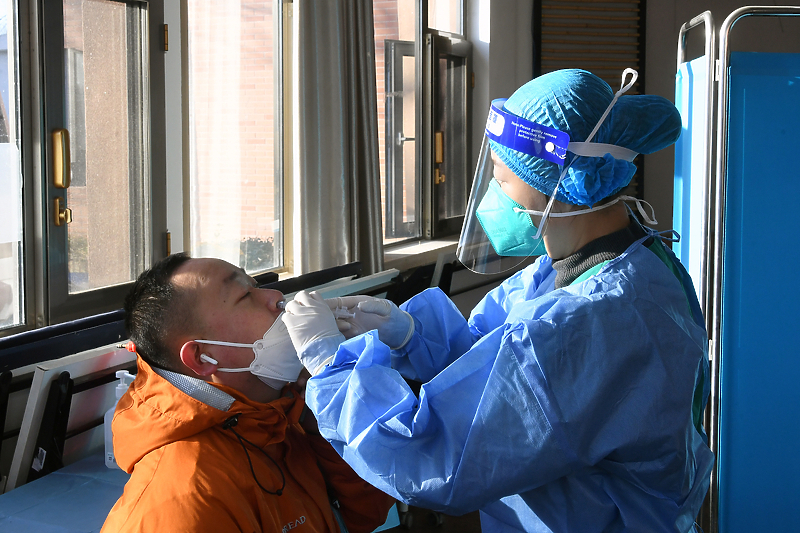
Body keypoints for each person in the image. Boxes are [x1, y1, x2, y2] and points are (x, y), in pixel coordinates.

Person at [283, 69, 714, 533]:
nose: (493, 196)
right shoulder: (617, 260)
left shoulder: (589, 320)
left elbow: (436, 457)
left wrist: (331, 368)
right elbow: (497, 360)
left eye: (503, 180)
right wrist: (409, 334)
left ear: (563, 185)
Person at [101, 253, 394, 533]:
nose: (276, 297)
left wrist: (329, 420)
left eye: (257, 286)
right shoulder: (184, 500)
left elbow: (365, 514)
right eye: (245, 296)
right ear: (202, 357)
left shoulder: (278, 412)